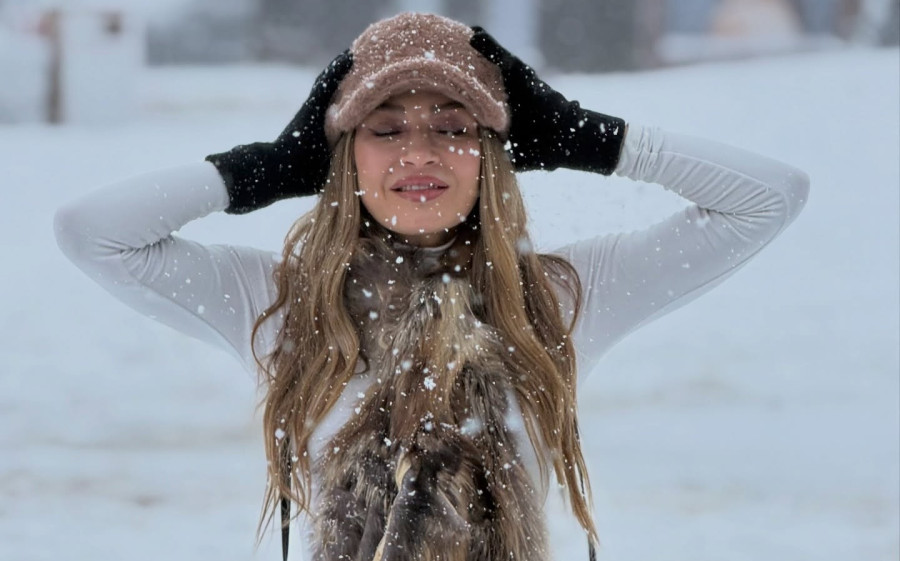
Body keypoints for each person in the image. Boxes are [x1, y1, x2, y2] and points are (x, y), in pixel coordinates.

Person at [54, 12, 809, 561]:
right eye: (385, 129)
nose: (419, 151)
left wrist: (585, 133)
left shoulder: (558, 299)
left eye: (453, 126)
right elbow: (91, 231)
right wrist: (272, 164)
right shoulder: (284, 306)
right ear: (342, 156)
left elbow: (770, 197)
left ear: (493, 155)